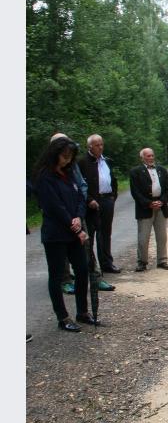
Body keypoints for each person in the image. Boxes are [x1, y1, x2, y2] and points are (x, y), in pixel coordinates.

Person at [33, 137, 96, 332]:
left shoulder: (68, 173)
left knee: (82, 269)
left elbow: (79, 196)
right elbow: (53, 206)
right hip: (56, 234)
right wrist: (74, 224)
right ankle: (62, 317)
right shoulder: (44, 176)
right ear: (54, 154)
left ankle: (82, 312)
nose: (66, 160)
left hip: (73, 231)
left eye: (70, 157)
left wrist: (78, 216)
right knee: (57, 274)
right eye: (64, 157)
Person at [78, 134, 118, 292]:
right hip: (92, 203)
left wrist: (113, 195)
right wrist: (89, 200)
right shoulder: (82, 162)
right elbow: (80, 184)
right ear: (90, 147)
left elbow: (112, 179)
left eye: (101, 144)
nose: (100, 147)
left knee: (106, 232)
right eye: (97, 145)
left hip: (107, 199)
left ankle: (107, 263)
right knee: (91, 234)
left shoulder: (106, 160)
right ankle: (92, 269)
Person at [130, 148, 168, 272]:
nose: (151, 158)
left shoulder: (162, 170)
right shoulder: (135, 172)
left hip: (161, 206)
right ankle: (142, 262)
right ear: (142, 157)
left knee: (162, 236)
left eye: (152, 155)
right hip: (145, 207)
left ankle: (162, 260)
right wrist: (148, 203)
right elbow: (135, 192)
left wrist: (162, 201)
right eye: (148, 156)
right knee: (143, 236)